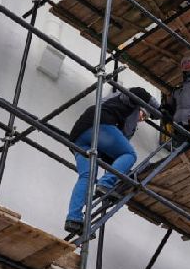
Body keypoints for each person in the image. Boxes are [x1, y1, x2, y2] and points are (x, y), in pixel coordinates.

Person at [64, 86, 157, 236]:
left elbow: (113, 153)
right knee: (130, 154)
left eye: (146, 118)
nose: (142, 118)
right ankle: (105, 184)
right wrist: (158, 110)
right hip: (99, 124)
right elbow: (139, 91)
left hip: (79, 137)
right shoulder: (127, 101)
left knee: (87, 176)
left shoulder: (119, 113)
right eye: (143, 113)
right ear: (139, 106)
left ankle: (73, 218)